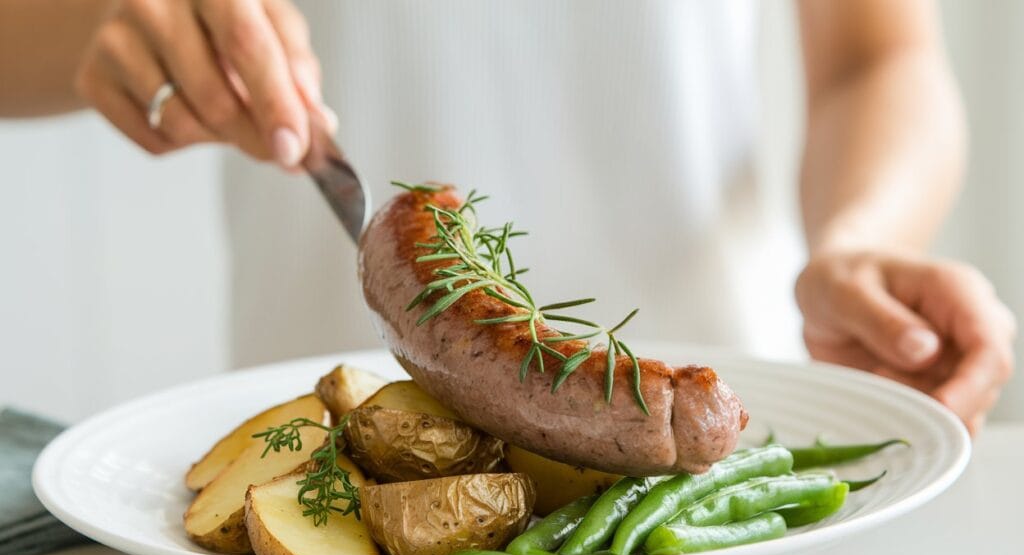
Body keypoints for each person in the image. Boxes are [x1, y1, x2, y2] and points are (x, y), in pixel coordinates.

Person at [1, 0, 1014, 434]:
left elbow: (874, 55)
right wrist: (116, 22)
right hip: (325, 462)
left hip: (722, 419)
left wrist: (859, 238)